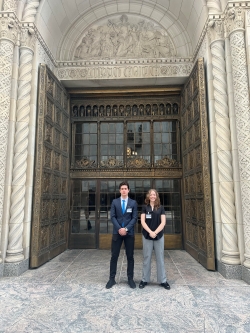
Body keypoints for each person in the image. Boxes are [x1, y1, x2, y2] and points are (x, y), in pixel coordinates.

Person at [106, 181, 138, 289]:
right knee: (114, 256)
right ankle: (111, 279)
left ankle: (130, 279)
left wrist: (126, 228)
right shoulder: (115, 202)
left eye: (125, 188)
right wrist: (120, 228)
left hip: (129, 233)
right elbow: (113, 217)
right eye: (122, 188)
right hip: (117, 232)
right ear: (120, 190)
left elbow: (134, 218)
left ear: (128, 190)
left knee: (130, 256)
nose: (124, 190)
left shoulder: (133, 203)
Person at [139, 189, 170, 290]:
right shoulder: (144, 207)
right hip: (147, 235)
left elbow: (163, 222)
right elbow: (142, 222)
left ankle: (163, 280)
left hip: (159, 236)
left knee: (160, 258)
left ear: (156, 196)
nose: (152, 196)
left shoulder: (161, 208)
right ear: (148, 196)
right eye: (151, 195)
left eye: (154, 195)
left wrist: (155, 232)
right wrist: (150, 232)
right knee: (146, 257)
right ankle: (144, 279)